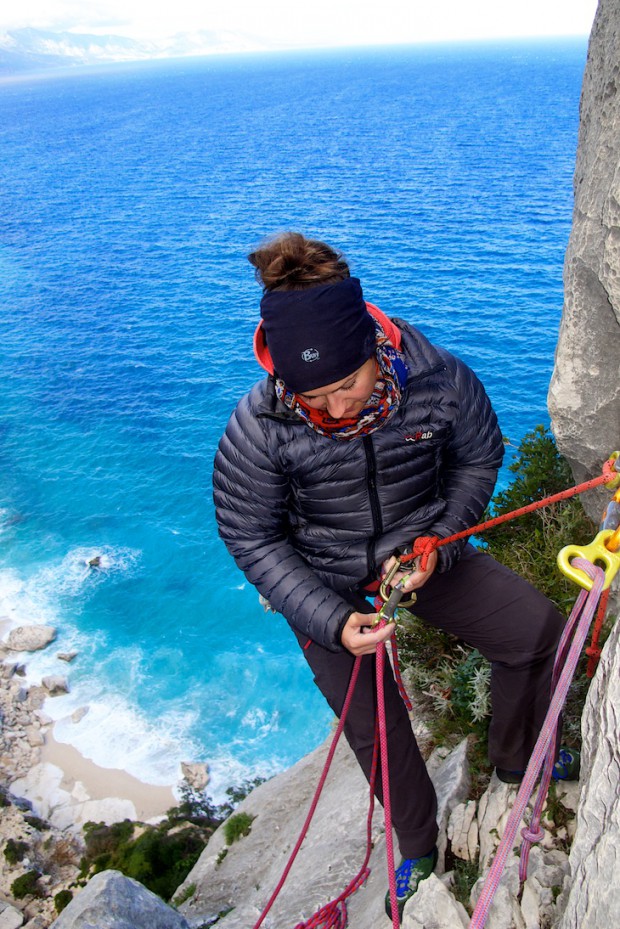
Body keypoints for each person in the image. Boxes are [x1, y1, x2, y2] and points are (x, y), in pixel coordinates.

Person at [212, 232, 574, 920]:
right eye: (314, 395)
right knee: (376, 724)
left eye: (347, 384)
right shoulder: (262, 424)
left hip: (421, 556)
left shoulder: (438, 381)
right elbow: (250, 533)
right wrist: (328, 619)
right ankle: (417, 840)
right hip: (323, 586)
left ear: (374, 354)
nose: (337, 409)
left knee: (534, 630)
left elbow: (478, 456)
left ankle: (514, 758)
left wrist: (441, 537)